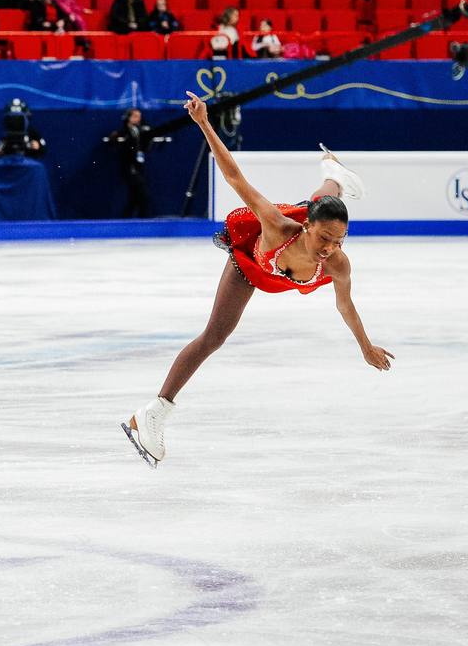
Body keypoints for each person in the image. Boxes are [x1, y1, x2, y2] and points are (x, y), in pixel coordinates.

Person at [121, 92, 389, 468]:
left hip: (290, 254)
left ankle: (334, 175)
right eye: (325, 238)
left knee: (321, 199)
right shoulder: (278, 226)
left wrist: (365, 346)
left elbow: (345, 305)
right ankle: (154, 412)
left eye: (339, 241)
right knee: (214, 336)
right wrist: (204, 123)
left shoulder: (337, 263)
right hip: (250, 264)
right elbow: (234, 176)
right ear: (306, 228)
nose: (330, 248)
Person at [108, 108, 153, 218]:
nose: (138, 119)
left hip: (138, 165)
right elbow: (114, 141)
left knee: (135, 195)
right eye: (135, 116)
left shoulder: (140, 130)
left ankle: (128, 217)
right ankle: (143, 216)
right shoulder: (123, 132)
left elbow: (145, 145)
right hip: (129, 166)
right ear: (128, 118)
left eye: (139, 116)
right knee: (141, 192)